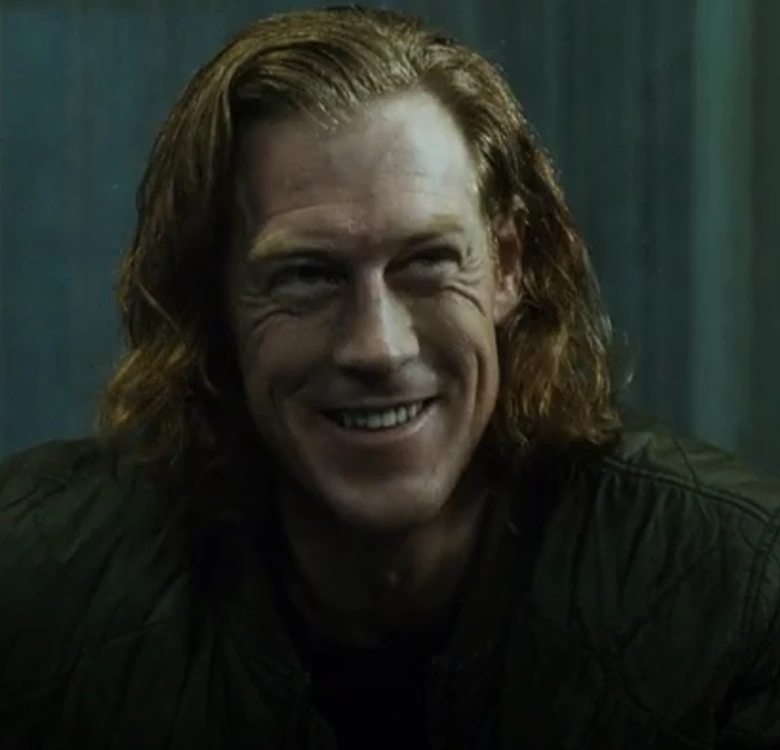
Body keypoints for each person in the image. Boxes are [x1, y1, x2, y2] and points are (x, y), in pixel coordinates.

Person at [1, 6, 778, 749]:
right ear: (213, 299)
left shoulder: (738, 594)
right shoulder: (30, 588)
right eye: (307, 275)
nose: (377, 346)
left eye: (428, 262)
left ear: (508, 266)